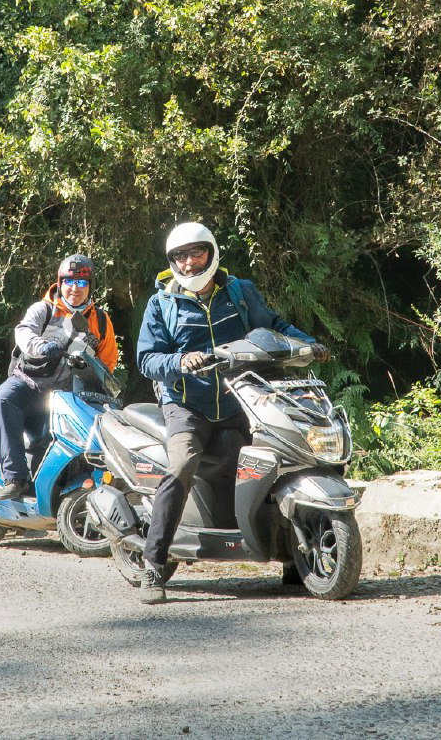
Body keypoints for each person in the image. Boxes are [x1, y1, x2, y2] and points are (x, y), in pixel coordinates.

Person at [135, 222, 329, 604]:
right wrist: (180, 360)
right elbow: (147, 358)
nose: (189, 263)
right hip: (187, 405)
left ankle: (295, 557)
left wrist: (309, 344)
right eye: (180, 256)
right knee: (182, 464)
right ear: (172, 262)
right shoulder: (161, 304)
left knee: (284, 455)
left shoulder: (240, 291)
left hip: (243, 400)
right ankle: (154, 564)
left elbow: (273, 327)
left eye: (196, 253)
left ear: (211, 252)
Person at [0, 255, 119, 499]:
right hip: (29, 382)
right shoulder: (44, 308)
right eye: (69, 282)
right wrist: (41, 346)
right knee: (4, 399)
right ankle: (14, 477)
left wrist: (96, 373)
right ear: (60, 283)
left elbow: (109, 363)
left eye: (82, 283)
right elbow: (23, 331)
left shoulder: (101, 321)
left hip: (67, 395)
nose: (75, 289)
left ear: (91, 287)